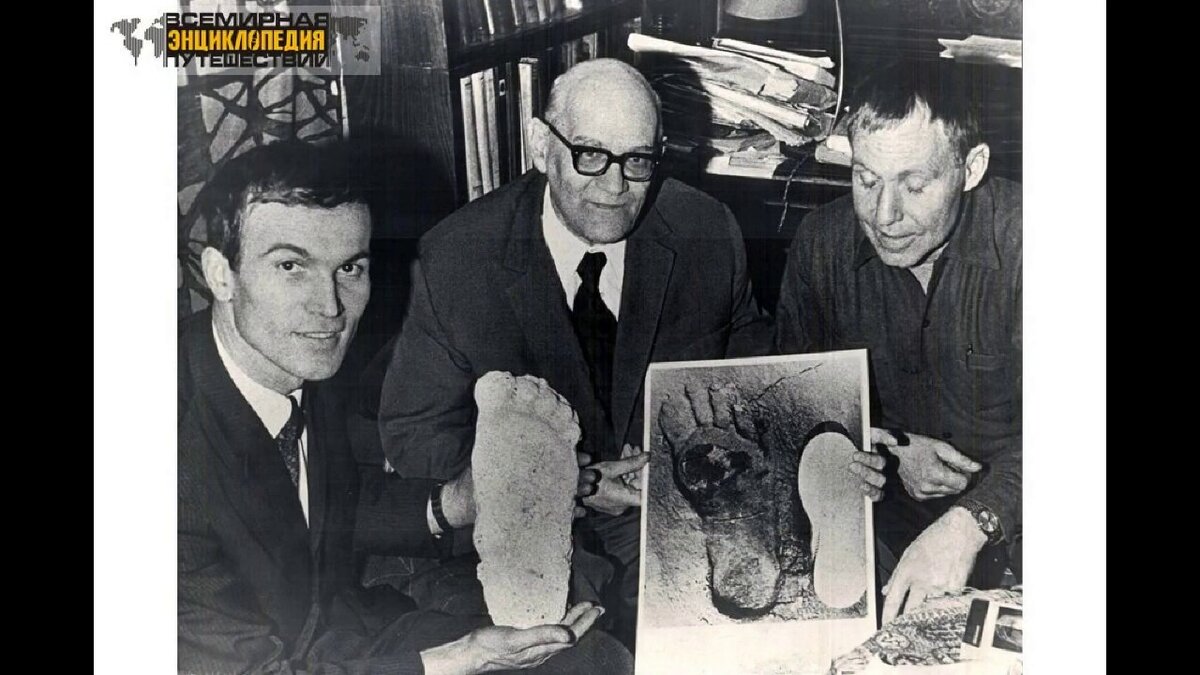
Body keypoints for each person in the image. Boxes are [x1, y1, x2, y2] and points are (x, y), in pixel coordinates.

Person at [178, 141, 630, 674]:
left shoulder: (287, 357)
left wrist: (464, 500)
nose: (330, 306)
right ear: (221, 274)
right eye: (291, 266)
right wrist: (458, 659)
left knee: (595, 660)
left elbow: (309, 506)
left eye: (349, 268)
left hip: (340, 632)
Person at [378, 58, 771, 648]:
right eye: (590, 155)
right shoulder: (459, 258)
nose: (615, 187)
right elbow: (414, 436)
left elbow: (755, 376)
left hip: (672, 514)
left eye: (637, 161)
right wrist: (571, 480)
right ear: (541, 146)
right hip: (527, 531)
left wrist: (684, 455)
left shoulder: (705, 231)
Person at [774, 59, 1022, 623]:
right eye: (866, 180)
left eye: (914, 186)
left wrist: (972, 522)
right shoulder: (821, 246)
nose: (884, 216)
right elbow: (795, 406)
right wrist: (882, 446)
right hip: (888, 510)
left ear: (972, 168)